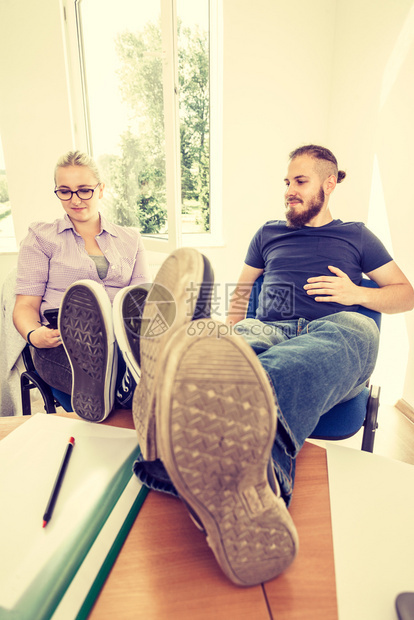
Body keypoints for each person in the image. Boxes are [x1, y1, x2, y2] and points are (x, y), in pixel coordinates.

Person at [124, 144, 414, 587]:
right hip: (269, 325)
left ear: (329, 183)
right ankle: (234, 455)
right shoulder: (267, 233)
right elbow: (241, 295)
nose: (290, 192)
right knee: (224, 349)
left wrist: (358, 295)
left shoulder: (357, 235)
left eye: (300, 182)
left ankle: (190, 418)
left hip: (337, 328)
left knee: (345, 336)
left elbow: (405, 293)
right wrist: (225, 334)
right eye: (287, 183)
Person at [12, 150, 151, 420]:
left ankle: (123, 384)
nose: (75, 199)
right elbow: (25, 306)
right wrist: (33, 334)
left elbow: (140, 299)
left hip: (123, 339)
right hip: (62, 344)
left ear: (100, 190)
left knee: (155, 351)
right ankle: (124, 388)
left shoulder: (130, 239)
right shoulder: (41, 237)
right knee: (131, 391)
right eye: (65, 191)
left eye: (84, 190)